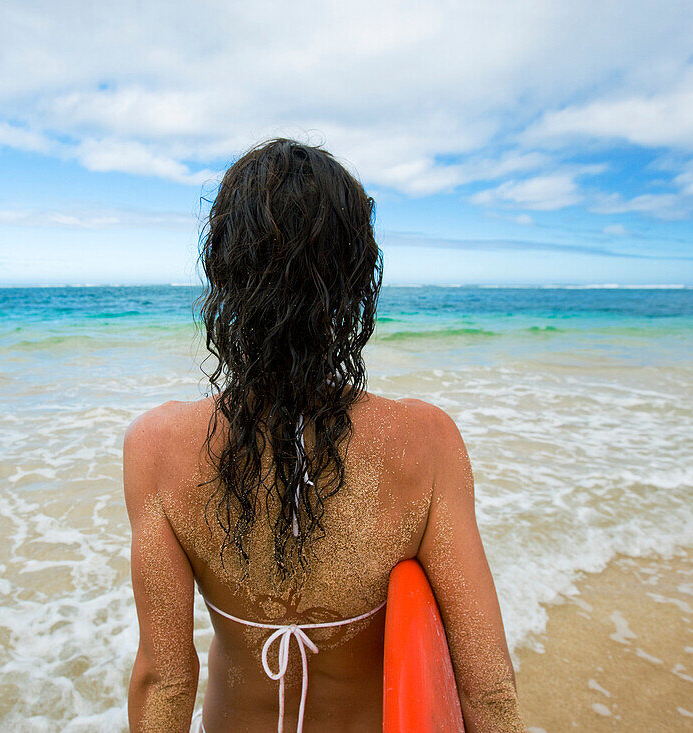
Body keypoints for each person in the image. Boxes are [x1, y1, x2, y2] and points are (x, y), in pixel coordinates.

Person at [124, 139, 523, 732]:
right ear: (358, 280)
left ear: (223, 273)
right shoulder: (425, 442)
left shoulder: (156, 447)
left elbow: (166, 678)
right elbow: (486, 686)